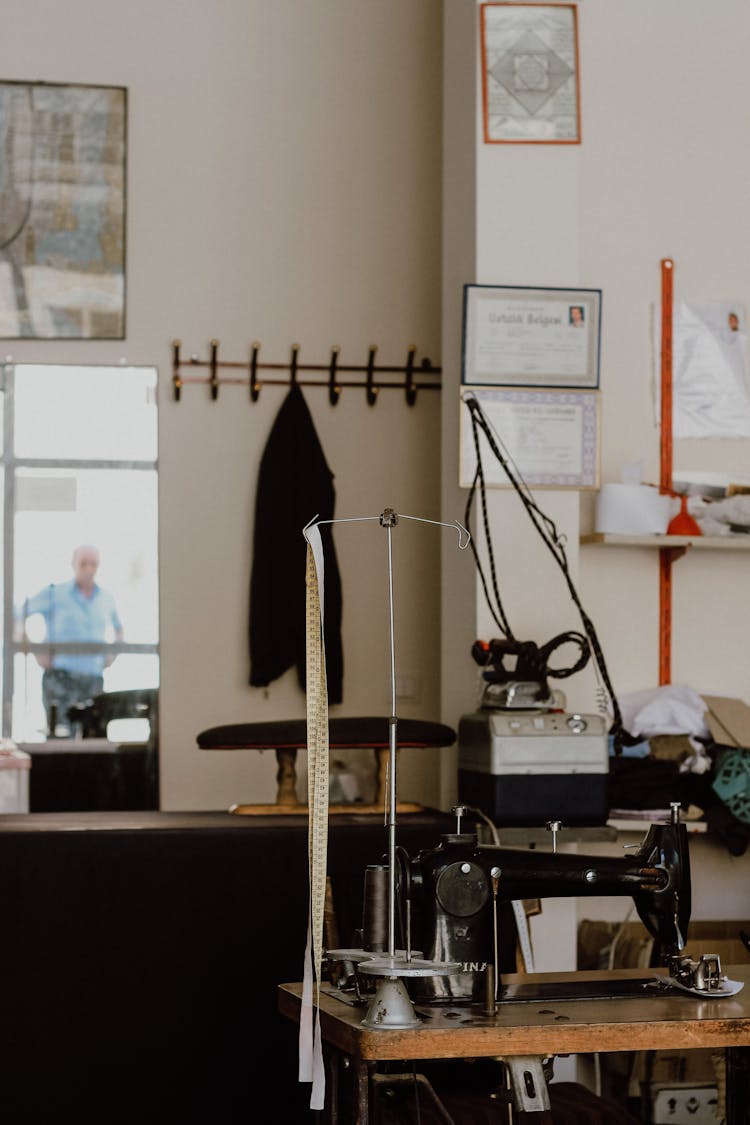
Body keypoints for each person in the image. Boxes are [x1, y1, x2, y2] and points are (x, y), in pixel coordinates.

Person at [19, 545, 123, 735]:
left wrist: (112, 656)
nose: (89, 569)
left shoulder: (107, 599)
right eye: (83, 564)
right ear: (73, 564)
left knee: (92, 739)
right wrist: (35, 650)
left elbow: (119, 630)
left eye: (94, 564)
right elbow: (19, 614)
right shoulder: (54, 593)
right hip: (60, 679)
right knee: (61, 739)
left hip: (93, 681)